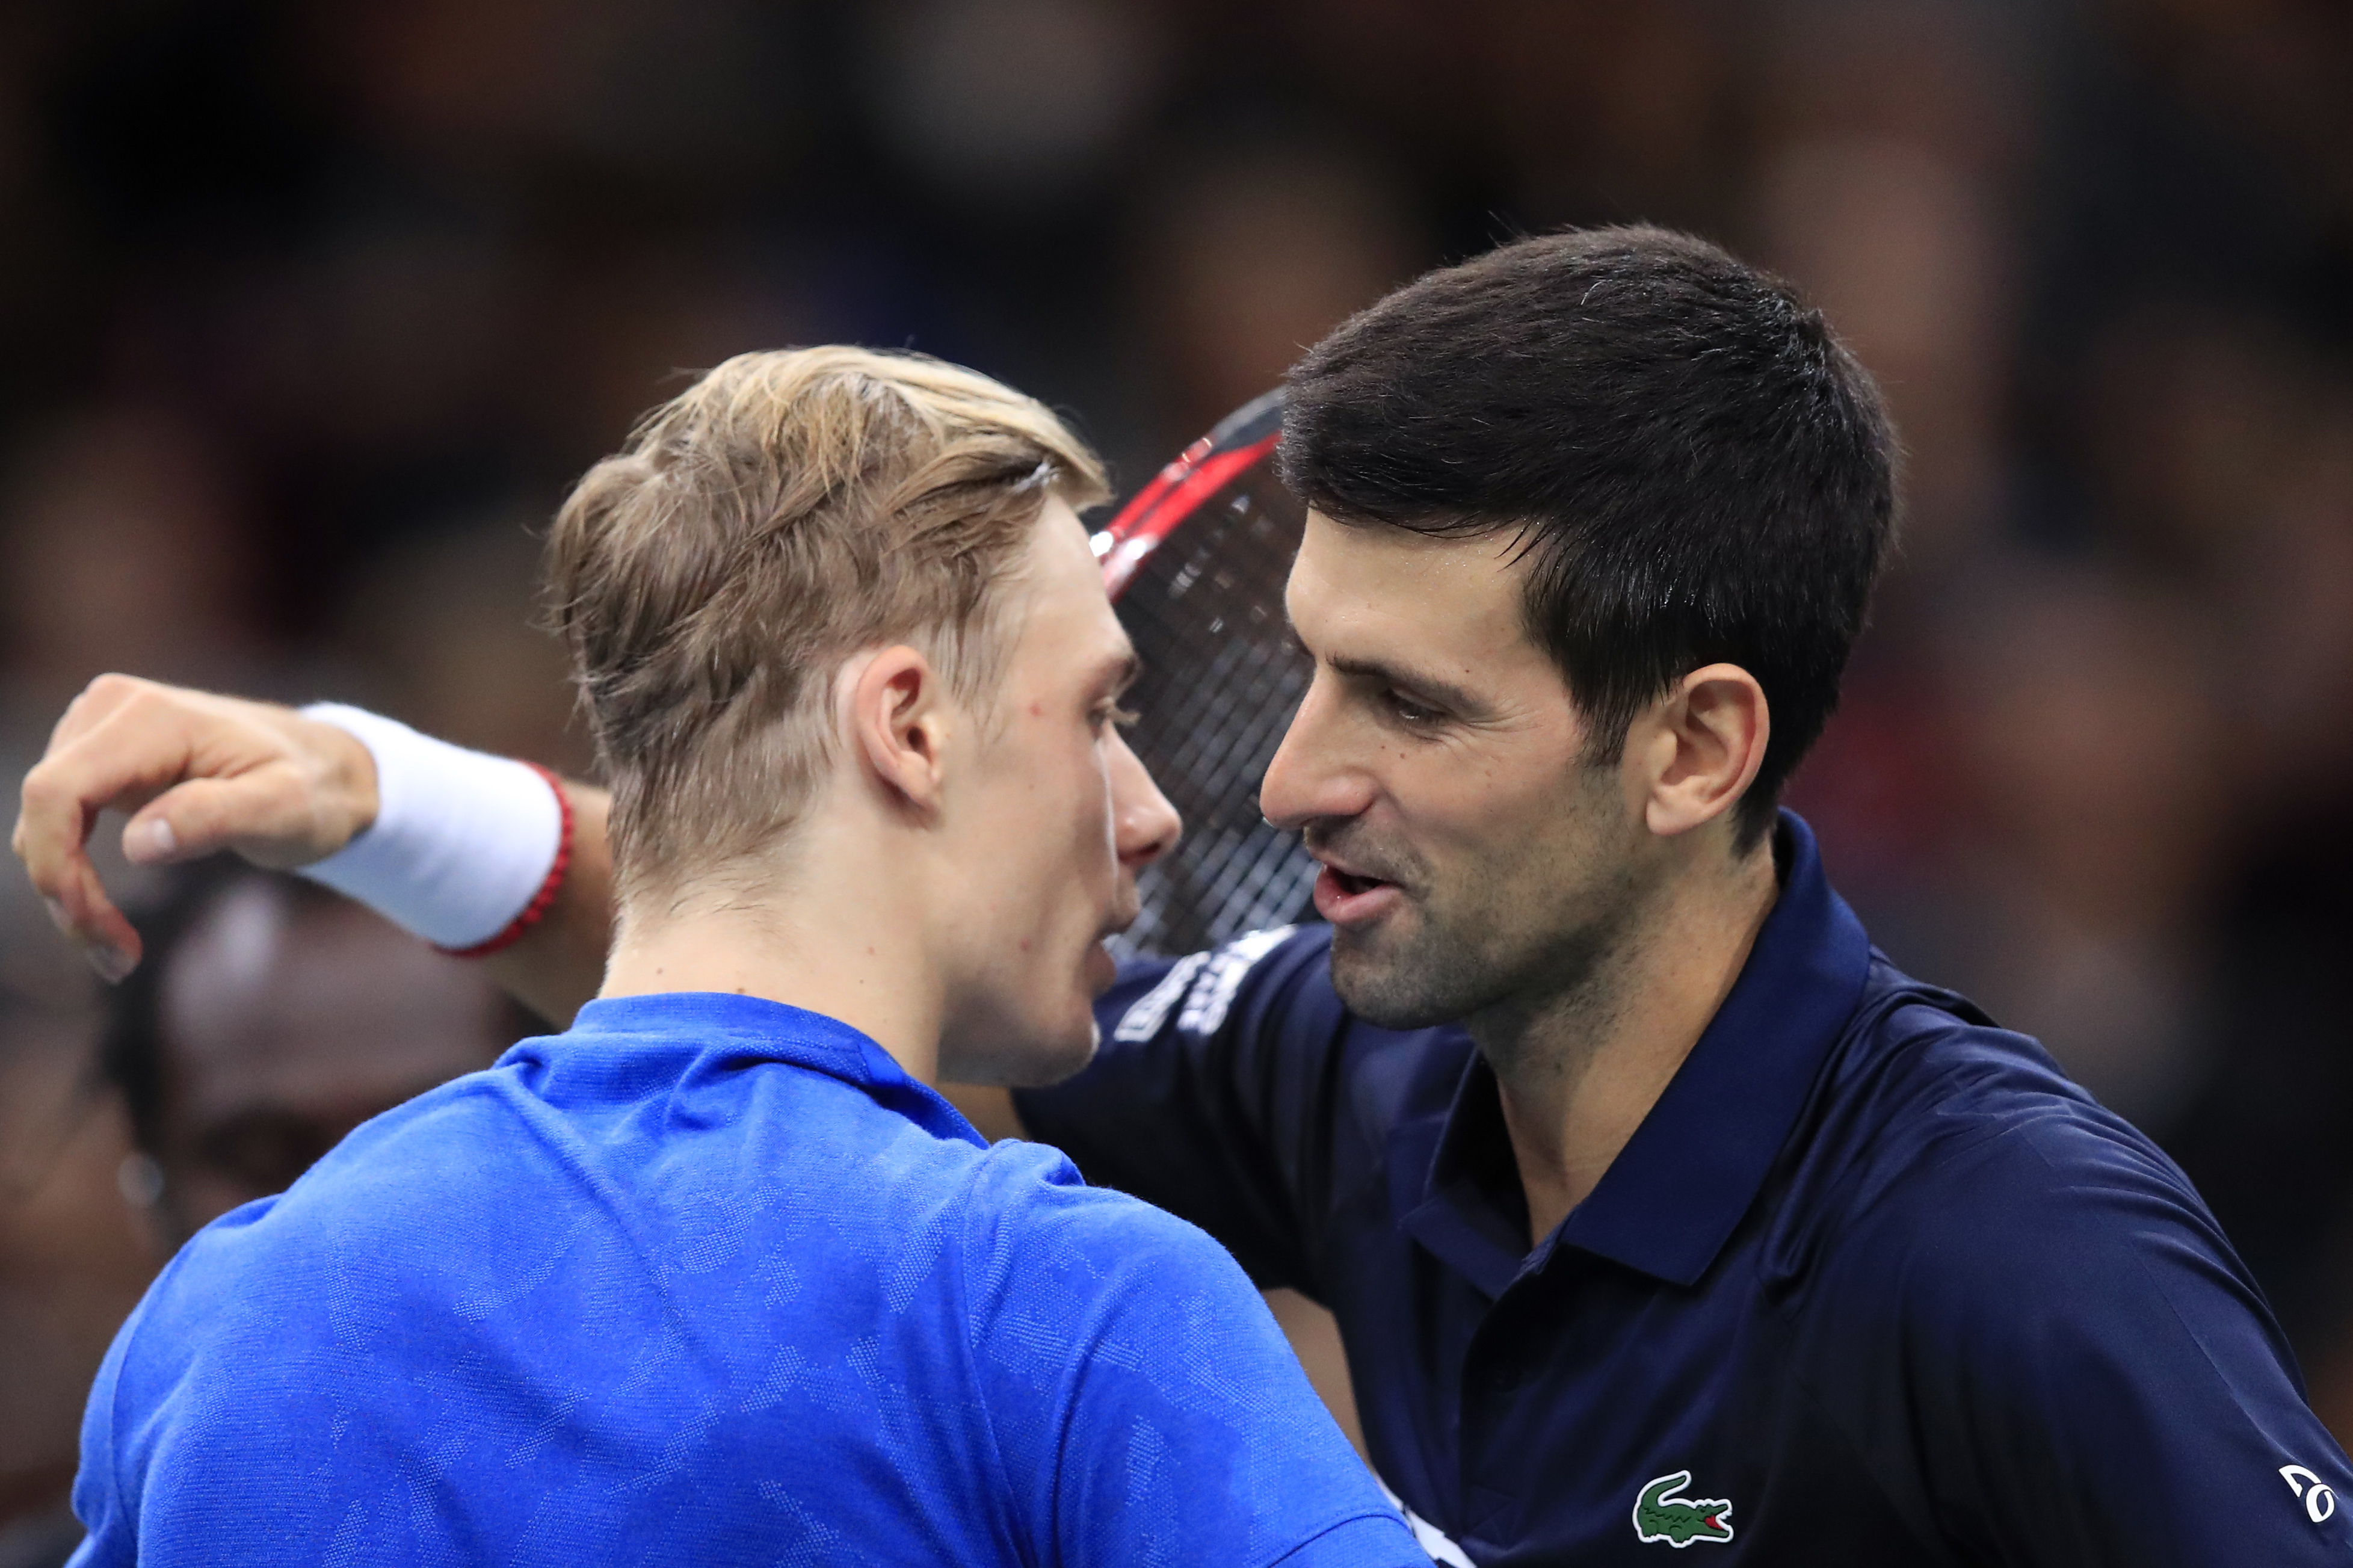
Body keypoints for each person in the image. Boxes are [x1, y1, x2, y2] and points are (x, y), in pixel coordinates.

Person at [22, 229, 2352, 1563]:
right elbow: (789, 944)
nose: (1286, 775)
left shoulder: (2019, 1262)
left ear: (1694, 747)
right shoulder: (1317, 1063)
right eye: (1303, 666)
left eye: (1415, 710)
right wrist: (380, 793)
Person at [23, 348, 1422, 1566]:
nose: (1152, 811)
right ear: (910, 726)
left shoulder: (219, 1320)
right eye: (1100, 714)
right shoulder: (1074, 1304)